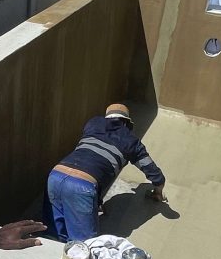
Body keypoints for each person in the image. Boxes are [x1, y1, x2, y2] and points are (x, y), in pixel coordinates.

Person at [44, 103, 167, 242]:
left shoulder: (93, 124)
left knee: (53, 236)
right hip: (83, 184)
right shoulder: (131, 142)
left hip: (55, 175)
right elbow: (155, 174)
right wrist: (158, 191)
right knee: (84, 246)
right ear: (127, 123)